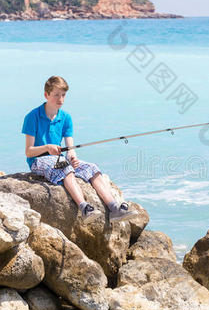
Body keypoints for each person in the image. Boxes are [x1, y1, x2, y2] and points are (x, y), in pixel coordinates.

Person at [22, 76, 138, 224]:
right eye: (56, 95)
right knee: (66, 169)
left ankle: (114, 207)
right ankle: (84, 208)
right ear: (46, 95)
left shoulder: (65, 118)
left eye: (63, 95)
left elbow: (70, 148)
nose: (60, 99)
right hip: (37, 160)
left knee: (92, 168)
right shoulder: (32, 117)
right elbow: (29, 151)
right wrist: (47, 147)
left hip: (59, 159)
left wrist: (72, 156)